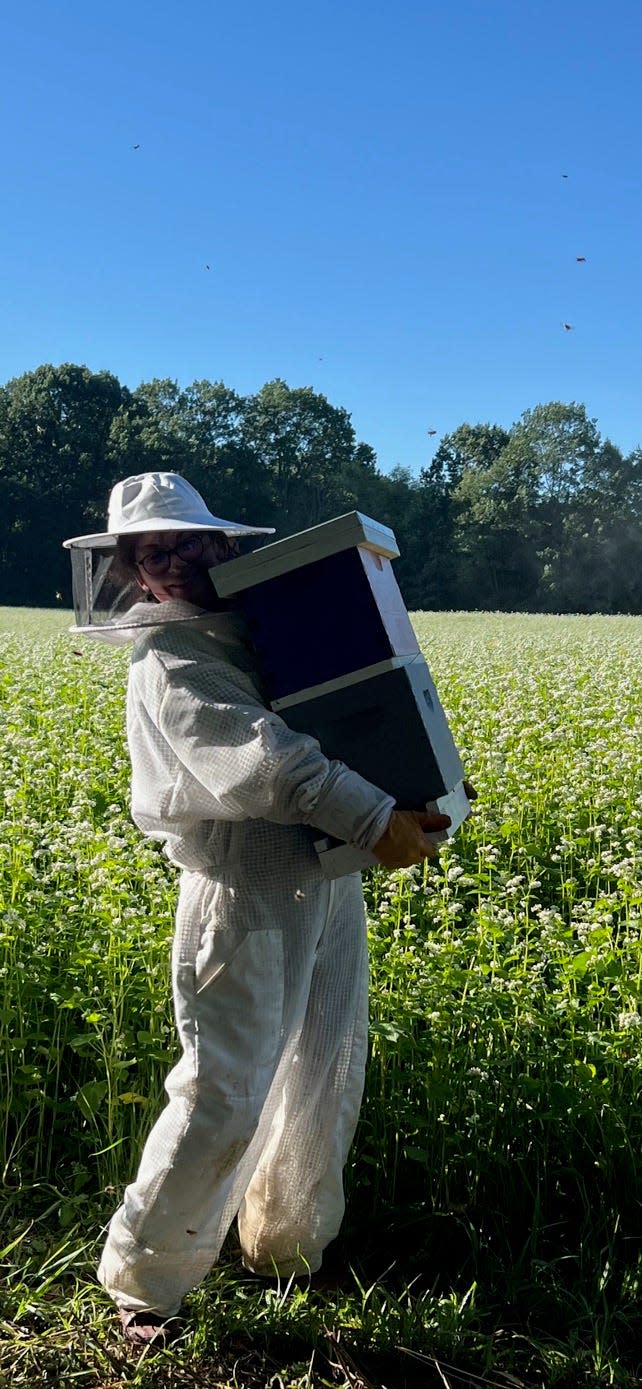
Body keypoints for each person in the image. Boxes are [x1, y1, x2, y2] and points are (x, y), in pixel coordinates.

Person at [64, 472, 454, 1348]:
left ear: (221, 546)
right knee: (223, 1087)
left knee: (324, 1058)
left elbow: (352, 707)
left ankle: (284, 1245)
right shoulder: (168, 659)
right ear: (131, 571)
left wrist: (413, 785)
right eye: (150, 551)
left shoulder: (259, 624)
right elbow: (266, 763)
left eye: (187, 543)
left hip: (325, 876)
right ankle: (143, 1279)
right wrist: (371, 815)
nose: (173, 562)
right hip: (238, 886)